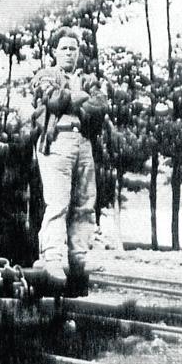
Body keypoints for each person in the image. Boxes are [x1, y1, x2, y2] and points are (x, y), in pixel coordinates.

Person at [28, 27, 109, 284]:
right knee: (58, 202)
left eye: (73, 48)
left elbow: (100, 106)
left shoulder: (88, 79)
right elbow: (52, 101)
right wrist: (78, 98)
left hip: (83, 141)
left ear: (79, 52)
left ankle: (79, 255)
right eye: (64, 48)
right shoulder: (44, 75)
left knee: (85, 202)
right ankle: (51, 257)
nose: (69, 53)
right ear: (54, 51)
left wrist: (73, 98)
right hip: (57, 141)